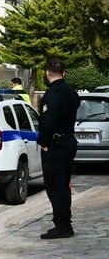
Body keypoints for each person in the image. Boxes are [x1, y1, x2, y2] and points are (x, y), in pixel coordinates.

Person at [37, 57, 80, 240]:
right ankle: (65, 222)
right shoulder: (71, 92)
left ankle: (61, 224)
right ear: (64, 72)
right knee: (63, 184)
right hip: (69, 141)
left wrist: (44, 142)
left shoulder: (52, 94)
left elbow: (49, 120)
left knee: (55, 186)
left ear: (47, 73)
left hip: (56, 145)